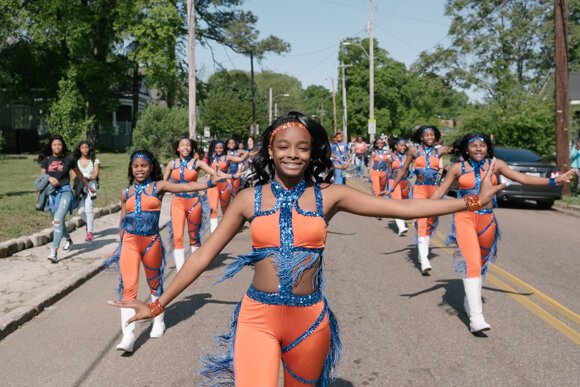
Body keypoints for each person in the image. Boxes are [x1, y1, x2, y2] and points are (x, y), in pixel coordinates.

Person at [112, 112, 503, 385]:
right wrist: (159, 302)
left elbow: (404, 207)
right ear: (270, 148)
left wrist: (470, 202)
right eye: (283, 146)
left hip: (310, 321)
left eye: (302, 147)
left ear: (314, 152)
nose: (292, 154)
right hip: (257, 319)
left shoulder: (329, 196)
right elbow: (202, 255)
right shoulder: (248, 199)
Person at [431, 133, 576, 333]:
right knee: (472, 263)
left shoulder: (495, 164)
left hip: (488, 219)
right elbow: (439, 192)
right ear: (466, 149)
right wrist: (419, 209)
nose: (479, 149)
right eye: (474, 146)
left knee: (480, 265)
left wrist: (553, 181)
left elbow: (522, 178)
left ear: (487, 148)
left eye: (482, 145)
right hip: (464, 217)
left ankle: (469, 301)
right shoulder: (457, 168)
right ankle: (476, 318)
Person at [105, 149, 220, 353]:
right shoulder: (125, 192)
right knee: (128, 287)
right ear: (131, 169)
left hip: (151, 242)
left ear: (151, 167)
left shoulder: (159, 186)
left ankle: (158, 319)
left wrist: (209, 183)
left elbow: (185, 186)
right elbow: (123, 221)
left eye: (144, 165)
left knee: (154, 283)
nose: (140, 169)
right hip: (129, 243)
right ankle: (128, 334)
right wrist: (118, 245)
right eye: (136, 166)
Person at [390, 125, 453, 274]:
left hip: (435, 190)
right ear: (421, 137)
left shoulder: (440, 150)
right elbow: (404, 169)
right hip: (419, 189)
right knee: (422, 220)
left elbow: (459, 150)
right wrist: (393, 187)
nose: (430, 137)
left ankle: (421, 252)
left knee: (430, 222)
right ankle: (424, 259)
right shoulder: (414, 151)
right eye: (427, 135)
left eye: (432, 135)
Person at [39, 135, 94, 263]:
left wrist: (88, 186)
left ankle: (54, 252)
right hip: (52, 194)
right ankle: (68, 239)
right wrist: (49, 178)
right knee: (58, 221)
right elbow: (41, 177)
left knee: (57, 221)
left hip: (65, 192)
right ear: (51, 146)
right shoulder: (46, 160)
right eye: (54, 144)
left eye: (59, 144)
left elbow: (79, 173)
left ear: (62, 145)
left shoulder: (69, 159)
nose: (57, 146)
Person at [163, 137, 215, 272]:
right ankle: (181, 270)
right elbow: (163, 183)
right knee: (178, 236)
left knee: (194, 235)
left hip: (194, 202)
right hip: (177, 202)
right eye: (182, 145)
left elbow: (214, 173)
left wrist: (206, 186)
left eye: (188, 145)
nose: (185, 147)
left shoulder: (197, 163)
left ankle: (195, 266)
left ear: (191, 148)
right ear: (177, 148)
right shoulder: (171, 164)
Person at [73, 141, 100, 242]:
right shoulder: (75, 161)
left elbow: (95, 175)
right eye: (82, 147)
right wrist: (88, 174)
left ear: (89, 148)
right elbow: (74, 176)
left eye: (86, 147)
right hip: (79, 188)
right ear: (79, 149)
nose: (85, 149)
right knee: (80, 211)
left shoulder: (95, 161)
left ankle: (90, 232)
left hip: (91, 187)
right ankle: (89, 223)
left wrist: (82, 174)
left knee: (88, 209)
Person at [386, 137, 410, 235]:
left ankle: (403, 220)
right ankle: (401, 227)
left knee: (404, 203)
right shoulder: (390, 158)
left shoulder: (409, 156)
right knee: (398, 203)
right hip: (394, 182)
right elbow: (389, 171)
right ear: (396, 146)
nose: (403, 147)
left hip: (405, 182)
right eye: (401, 145)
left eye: (404, 145)